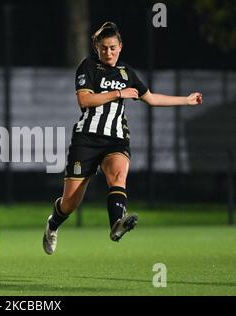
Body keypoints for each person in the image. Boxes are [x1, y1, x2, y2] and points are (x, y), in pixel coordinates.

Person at [43, 22, 203, 254]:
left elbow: (152, 98)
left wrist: (186, 100)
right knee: (70, 203)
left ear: (120, 47)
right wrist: (118, 93)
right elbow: (85, 100)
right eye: (104, 47)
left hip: (116, 139)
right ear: (96, 47)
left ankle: (117, 223)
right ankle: (53, 224)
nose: (108, 52)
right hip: (86, 140)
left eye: (113, 47)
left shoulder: (127, 72)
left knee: (118, 176)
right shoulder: (88, 66)